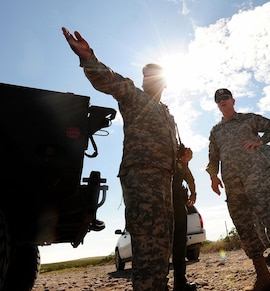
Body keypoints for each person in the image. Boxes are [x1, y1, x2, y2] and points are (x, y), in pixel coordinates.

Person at [62, 27, 177, 291]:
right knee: (147, 240)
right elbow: (108, 79)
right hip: (141, 175)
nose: (150, 79)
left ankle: (159, 285)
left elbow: (170, 144)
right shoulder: (134, 96)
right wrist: (88, 58)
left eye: (156, 76)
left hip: (163, 177)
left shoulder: (167, 113)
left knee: (162, 240)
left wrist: (180, 156)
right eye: (146, 75)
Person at [206, 88, 270, 291]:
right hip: (232, 183)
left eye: (225, 97)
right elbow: (213, 156)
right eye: (218, 100)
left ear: (233, 100)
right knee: (244, 226)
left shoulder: (249, 119)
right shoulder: (215, 131)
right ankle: (263, 276)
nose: (222, 101)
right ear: (217, 104)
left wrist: (260, 141)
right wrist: (213, 177)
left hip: (256, 178)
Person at [172, 144, 197, 291]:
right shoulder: (172, 159)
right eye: (186, 154)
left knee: (180, 245)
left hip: (179, 207)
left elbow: (191, 181)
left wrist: (193, 194)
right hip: (164, 204)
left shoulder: (182, 166)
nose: (187, 157)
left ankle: (180, 282)